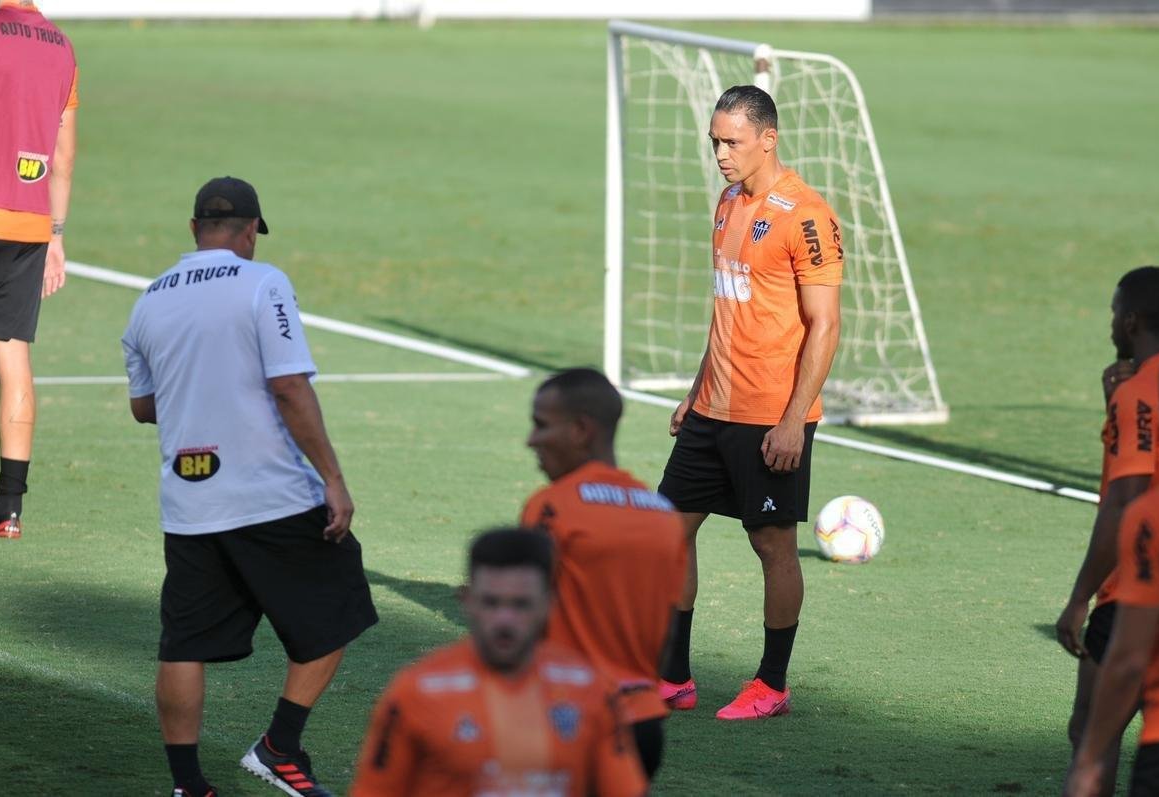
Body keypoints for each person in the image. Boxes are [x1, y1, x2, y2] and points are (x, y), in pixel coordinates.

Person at [122, 177, 377, 797]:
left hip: (188, 503)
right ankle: (279, 748)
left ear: (194, 229)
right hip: (269, 493)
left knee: (183, 645)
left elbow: (144, 406)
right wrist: (334, 478)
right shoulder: (264, 283)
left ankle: (188, 786)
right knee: (339, 604)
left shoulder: (148, 301)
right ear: (250, 232)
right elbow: (289, 385)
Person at [656, 84, 843, 720]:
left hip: (769, 415)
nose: (721, 154)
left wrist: (793, 422)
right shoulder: (728, 201)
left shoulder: (807, 216)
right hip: (713, 408)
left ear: (769, 139)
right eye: (714, 142)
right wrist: (695, 393)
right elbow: (728, 312)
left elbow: (825, 326)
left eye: (732, 142)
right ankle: (673, 677)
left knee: (771, 545)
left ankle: (772, 684)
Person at [351, 527, 647, 796]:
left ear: (550, 602)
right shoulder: (415, 693)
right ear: (467, 600)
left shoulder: (592, 691)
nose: (505, 620)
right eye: (491, 602)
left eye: (521, 604)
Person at [521, 367, 686, 779]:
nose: (531, 440)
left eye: (541, 425)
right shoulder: (663, 515)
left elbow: (523, 617)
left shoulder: (552, 507)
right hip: (643, 724)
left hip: (569, 718)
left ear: (580, 430)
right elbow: (668, 630)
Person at [1056, 266, 1159, 795]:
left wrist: (1079, 597)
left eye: (1113, 311)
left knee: (1092, 732)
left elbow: (1123, 503)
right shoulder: (1158, 385)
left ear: (1131, 321)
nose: (1110, 322)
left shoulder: (1139, 393)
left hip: (1137, 581)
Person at [0, 0, 78, 539]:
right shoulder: (63, 48)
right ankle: (8, 510)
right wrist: (56, 237)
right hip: (29, 227)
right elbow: (62, 157)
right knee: (14, 358)